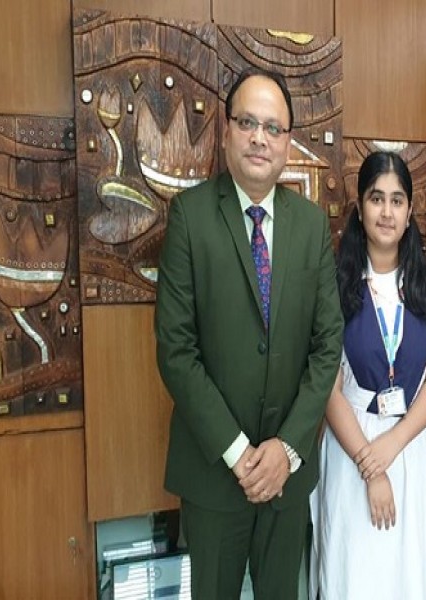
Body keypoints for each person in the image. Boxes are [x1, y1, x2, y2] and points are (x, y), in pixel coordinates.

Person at [154, 67, 343, 599]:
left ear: (288, 141)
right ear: (225, 131)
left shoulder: (310, 225)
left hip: (288, 478)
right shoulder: (190, 217)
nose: (260, 138)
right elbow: (176, 352)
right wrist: (240, 453)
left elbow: (327, 346)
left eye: (274, 128)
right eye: (248, 123)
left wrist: (286, 449)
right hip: (215, 473)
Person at [309, 151, 426, 599]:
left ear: (409, 213)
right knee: (354, 569)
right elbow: (328, 389)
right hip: (352, 444)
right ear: (360, 208)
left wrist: (392, 444)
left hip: (408, 444)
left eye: (397, 200)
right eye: (377, 199)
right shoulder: (336, 285)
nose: (387, 211)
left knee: (405, 572)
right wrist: (370, 467)